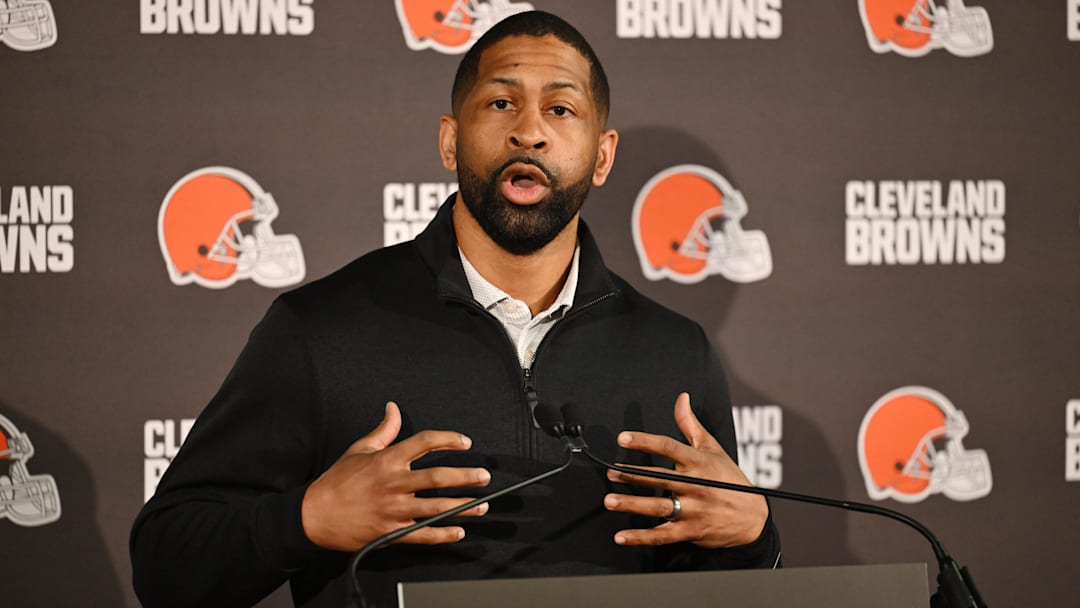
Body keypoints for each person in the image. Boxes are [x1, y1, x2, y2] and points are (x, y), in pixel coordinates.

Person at [130, 10, 781, 608]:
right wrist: (306, 519)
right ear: (449, 141)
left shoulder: (674, 353)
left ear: (603, 155)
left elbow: (739, 586)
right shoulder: (322, 331)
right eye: (501, 102)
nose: (529, 130)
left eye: (561, 109)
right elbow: (166, 566)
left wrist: (754, 536)